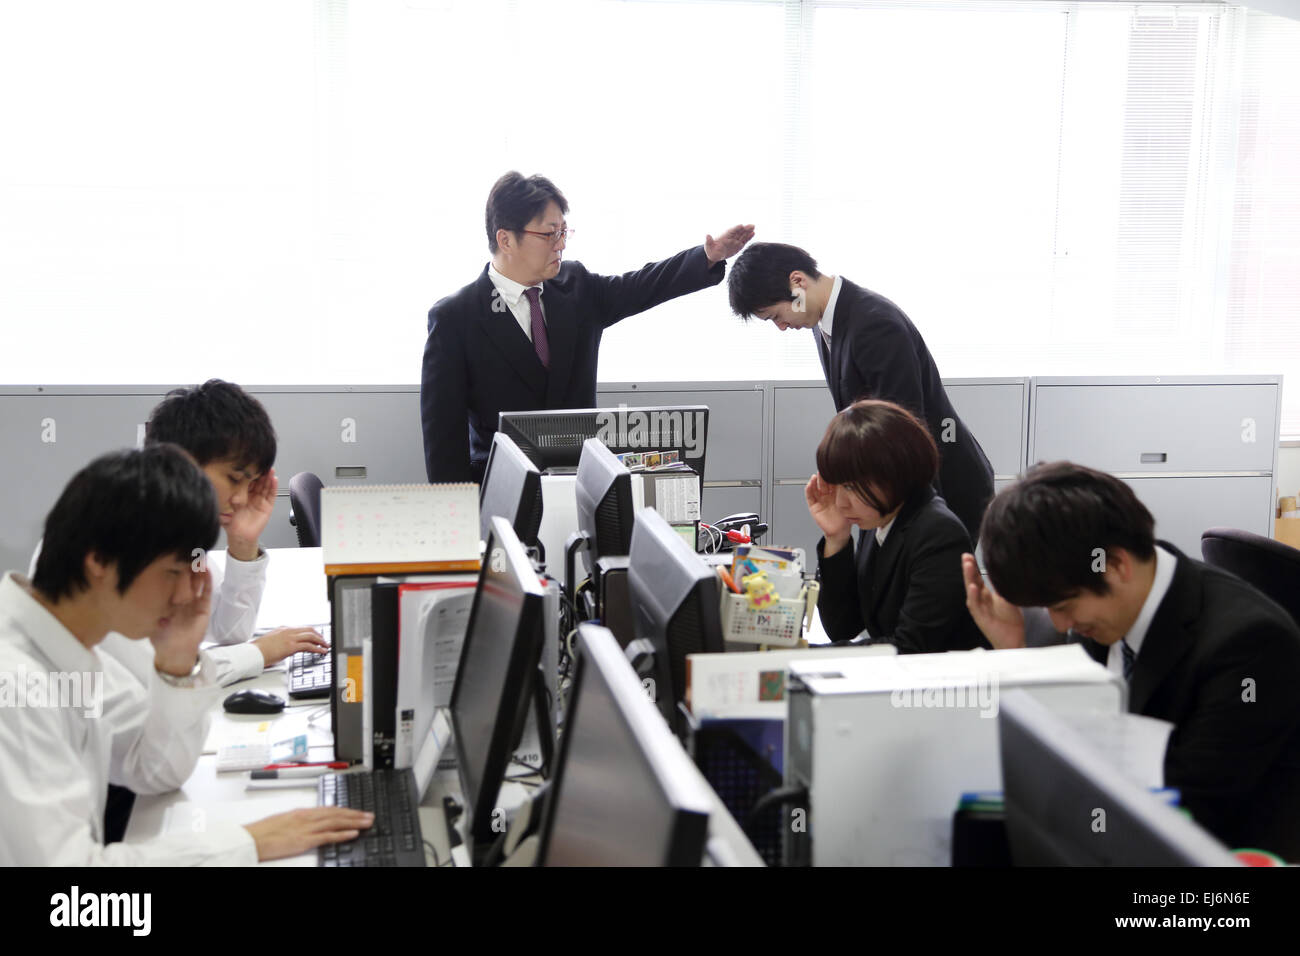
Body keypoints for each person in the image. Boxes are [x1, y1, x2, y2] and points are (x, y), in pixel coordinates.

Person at [0, 445, 373, 864]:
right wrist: (246, 843)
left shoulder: (74, 652)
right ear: (98, 562)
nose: (183, 596)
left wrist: (178, 663)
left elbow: (155, 772)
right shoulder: (16, 689)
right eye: (172, 573)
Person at [963, 461, 1300, 859]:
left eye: (1064, 605)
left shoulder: (1248, 646)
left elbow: (1190, 809)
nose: (1059, 623)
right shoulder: (1108, 612)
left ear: (1116, 564)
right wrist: (1013, 652)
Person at [421, 171, 754, 482]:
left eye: (563, 231)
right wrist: (461, 529)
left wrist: (707, 257)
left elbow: (641, 285)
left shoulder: (576, 287)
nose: (561, 243)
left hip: (580, 487)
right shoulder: (455, 318)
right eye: (549, 233)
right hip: (502, 498)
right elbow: (444, 448)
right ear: (505, 240)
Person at [728, 242, 993, 540]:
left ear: (798, 282)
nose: (780, 326)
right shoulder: (824, 321)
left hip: (941, 490)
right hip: (895, 486)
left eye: (775, 315)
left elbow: (906, 435)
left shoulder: (874, 324)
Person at [809, 399, 986, 653]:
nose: (840, 503)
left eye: (850, 486)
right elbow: (843, 627)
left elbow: (910, 647)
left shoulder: (938, 533)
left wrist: (808, 655)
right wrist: (836, 538)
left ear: (892, 471)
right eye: (837, 486)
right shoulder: (880, 519)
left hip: (948, 685)